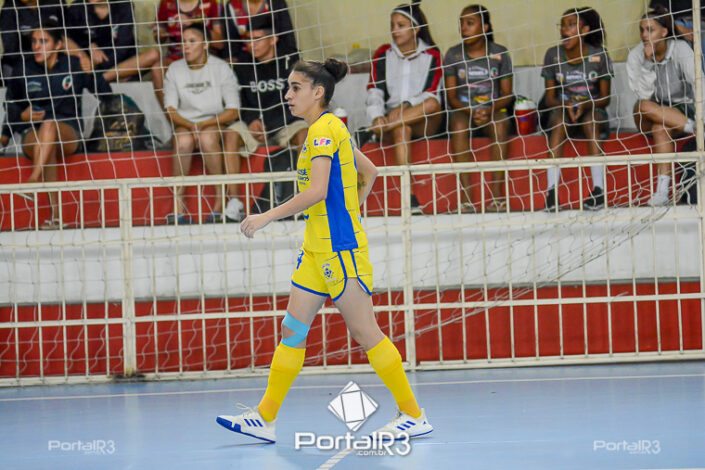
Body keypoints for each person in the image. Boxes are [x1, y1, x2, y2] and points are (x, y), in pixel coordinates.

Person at [216, 58, 433, 443]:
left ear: (318, 92)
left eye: (295, 88)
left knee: (365, 332)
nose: (287, 95)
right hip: (316, 250)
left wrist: (266, 216)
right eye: (288, 87)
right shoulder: (331, 127)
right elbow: (370, 172)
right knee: (292, 329)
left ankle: (414, 415)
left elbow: (317, 191)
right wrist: (352, 208)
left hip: (339, 249)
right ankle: (264, 418)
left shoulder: (322, 132)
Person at [3, 20, 110, 229]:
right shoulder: (23, 68)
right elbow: (11, 106)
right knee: (47, 139)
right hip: (33, 133)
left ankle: (34, 179)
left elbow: (105, 93)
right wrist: (22, 116)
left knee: (50, 126)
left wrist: (91, 71)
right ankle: (56, 217)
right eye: (34, 41)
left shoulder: (73, 64)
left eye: (43, 41)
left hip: (68, 132)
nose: (36, 46)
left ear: (58, 45)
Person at [223, 18, 307, 222]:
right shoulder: (242, 65)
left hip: (285, 122)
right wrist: (251, 120)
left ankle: (304, 196)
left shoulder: (291, 62)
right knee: (231, 133)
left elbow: (299, 100)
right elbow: (240, 101)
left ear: (273, 39)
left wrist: (271, 125)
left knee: (305, 132)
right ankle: (234, 201)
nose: (251, 44)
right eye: (249, 39)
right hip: (254, 125)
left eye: (257, 39)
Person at [366, 3, 443, 212]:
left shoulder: (432, 55)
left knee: (432, 103)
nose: (394, 30)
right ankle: (409, 196)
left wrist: (405, 105)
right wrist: (377, 116)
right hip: (394, 121)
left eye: (400, 25)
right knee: (402, 129)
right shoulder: (383, 53)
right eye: (392, 25)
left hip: (424, 119)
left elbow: (432, 93)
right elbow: (374, 90)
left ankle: (376, 131)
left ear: (416, 29)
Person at [163, 24, 240, 224]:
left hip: (214, 121)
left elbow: (233, 110)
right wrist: (191, 126)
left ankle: (220, 201)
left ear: (205, 44)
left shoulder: (220, 68)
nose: (186, 46)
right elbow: (170, 110)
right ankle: (178, 205)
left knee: (207, 138)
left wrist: (204, 124)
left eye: (192, 41)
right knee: (183, 142)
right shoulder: (174, 69)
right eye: (183, 41)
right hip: (186, 123)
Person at [628, 6, 703, 206]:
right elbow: (642, 95)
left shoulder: (680, 49)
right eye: (642, 30)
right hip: (649, 111)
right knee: (643, 105)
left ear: (664, 32)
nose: (644, 35)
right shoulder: (636, 55)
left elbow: (698, 83)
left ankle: (662, 191)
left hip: (682, 110)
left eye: (650, 29)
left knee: (660, 128)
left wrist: (702, 114)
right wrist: (647, 63)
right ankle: (696, 129)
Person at [541, 7, 613, 211]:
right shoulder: (552, 54)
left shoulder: (599, 54)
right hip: (563, 110)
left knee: (591, 121)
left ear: (585, 30)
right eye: (562, 25)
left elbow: (605, 98)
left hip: (592, 110)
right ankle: (551, 193)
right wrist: (567, 105)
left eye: (571, 25)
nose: (565, 29)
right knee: (558, 121)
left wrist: (585, 105)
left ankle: (598, 191)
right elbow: (549, 99)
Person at [444, 4, 513, 212]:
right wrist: (472, 111)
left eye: (470, 23)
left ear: (485, 27)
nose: (463, 28)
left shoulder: (500, 53)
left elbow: (507, 94)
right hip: (464, 111)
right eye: (461, 24)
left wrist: (488, 109)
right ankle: (466, 199)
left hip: (492, 110)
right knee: (458, 126)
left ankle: (497, 197)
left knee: (501, 125)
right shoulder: (453, 54)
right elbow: (451, 97)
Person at [63, 0, 161, 84]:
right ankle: (101, 79)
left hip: (120, 65)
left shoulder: (124, 5)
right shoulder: (76, 9)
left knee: (153, 55)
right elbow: (70, 42)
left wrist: (100, 66)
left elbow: (122, 48)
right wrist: (89, 46)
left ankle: (101, 79)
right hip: (90, 65)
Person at [154, 0, 223, 103]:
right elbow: (158, 39)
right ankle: (169, 111)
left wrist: (193, 23)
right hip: (175, 57)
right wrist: (160, 34)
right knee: (157, 68)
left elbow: (220, 43)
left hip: (202, 56)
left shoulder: (211, 3)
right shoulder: (166, 3)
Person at [0, 0, 64, 79]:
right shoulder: (10, 7)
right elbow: (11, 50)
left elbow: (66, 38)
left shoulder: (55, 3)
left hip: (53, 61)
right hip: (20, 64)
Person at [221, 0, 298, 64]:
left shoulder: (276, 2)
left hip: (276, 60)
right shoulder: (232, 6)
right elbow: (231, 44)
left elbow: (288, 37)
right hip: (245, 62)